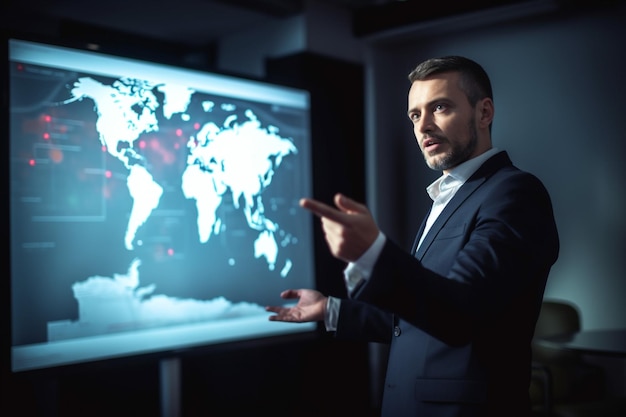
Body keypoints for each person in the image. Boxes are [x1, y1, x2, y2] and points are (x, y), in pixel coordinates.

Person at [265, 56, 559, 417]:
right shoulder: (446, 196)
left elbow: (459, 311)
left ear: (484, 113)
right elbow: (419, 314)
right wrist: (330, 309)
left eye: (440, 107)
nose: (424, 126)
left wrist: (374, 253)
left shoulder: (515, 193)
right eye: (415, 115)